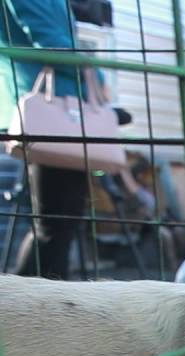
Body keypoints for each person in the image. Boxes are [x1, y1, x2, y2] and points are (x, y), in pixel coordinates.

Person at [0, 0, 105, 280]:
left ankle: (29, 297)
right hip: (56, 113)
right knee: (55, 223)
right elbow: (50, 40)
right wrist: (97, 72)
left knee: (59, 220)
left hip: (65, 111)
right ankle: (37, 303)